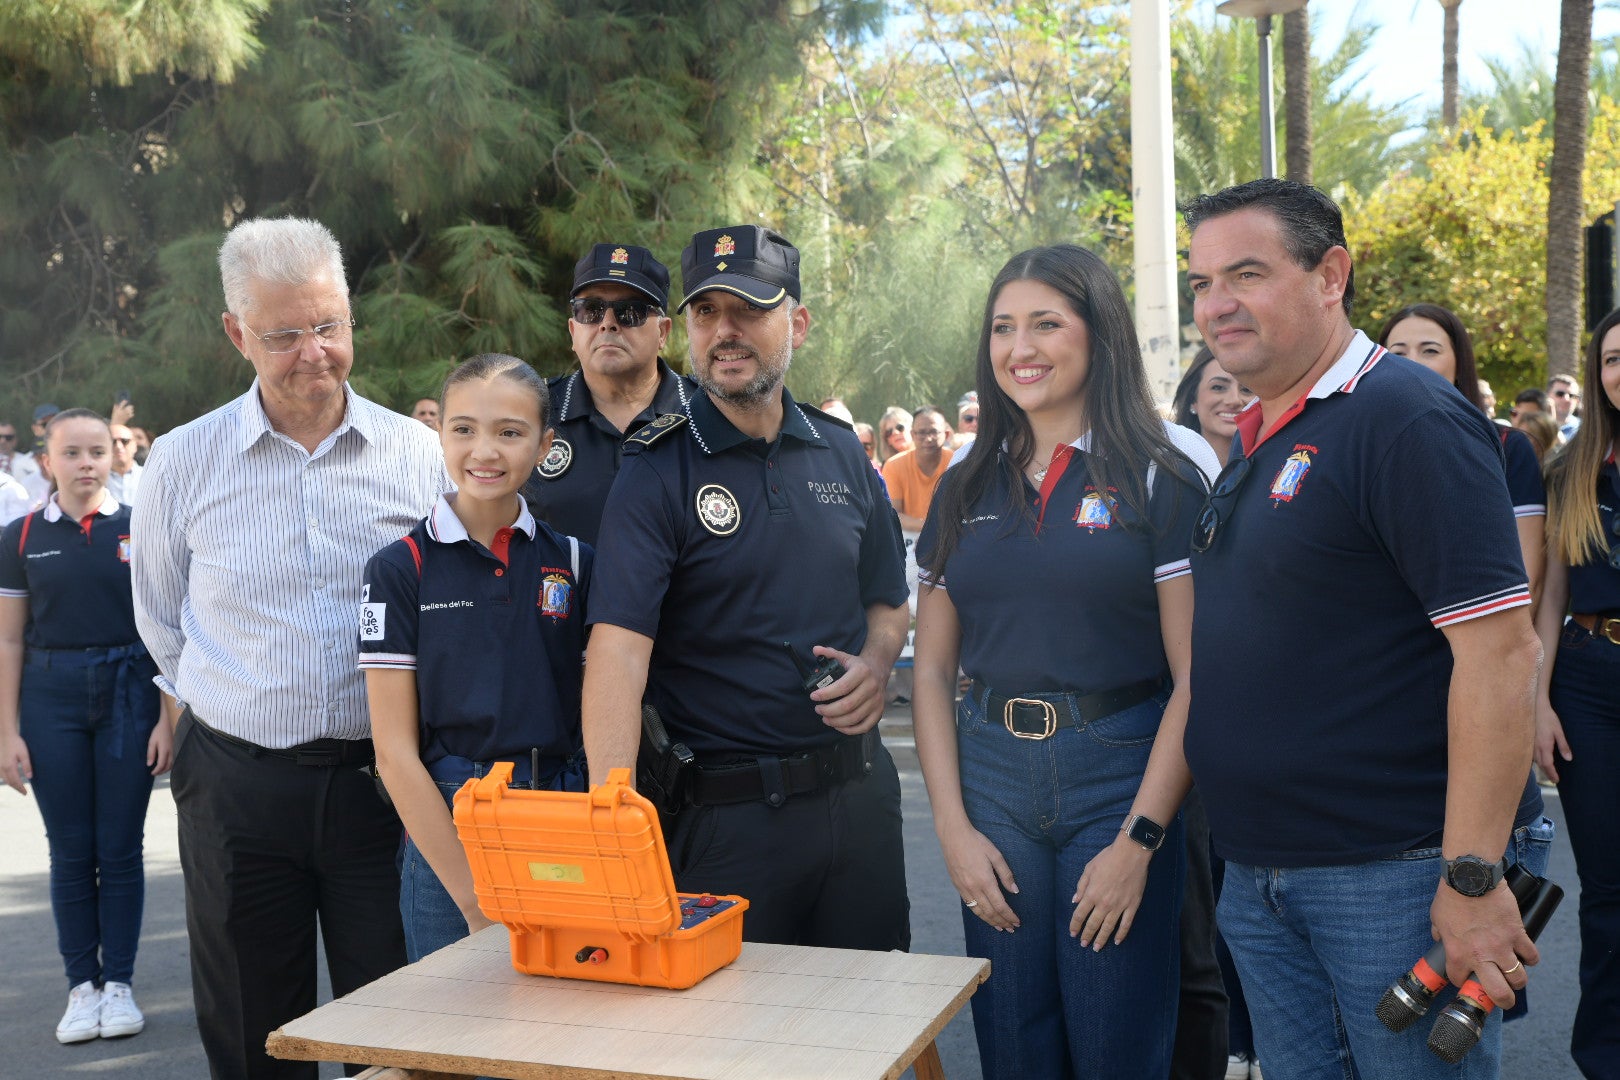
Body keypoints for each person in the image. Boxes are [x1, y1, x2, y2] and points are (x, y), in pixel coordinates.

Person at [1182, 178, 1552, 1079]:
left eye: (1246, 273)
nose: (1217, 303)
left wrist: (1470, 880)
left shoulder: (1407, 419)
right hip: (1264, 875)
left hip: (1388, 883)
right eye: (1200, 282)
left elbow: (1502, 654)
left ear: (1330, 274)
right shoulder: (1266, 427)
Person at [131, 217, 446, 1080]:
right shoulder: (183, 462)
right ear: (238, 334)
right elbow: (161, 617)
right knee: (248, 1029)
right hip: (236, 787)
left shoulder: (420, 460)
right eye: (284, 334)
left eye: (329, 325)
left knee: (397, 1031)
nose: (314, 351)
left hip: (384, 791)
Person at [912, 245, 1214, 1079]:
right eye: (1004, 327)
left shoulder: (1162, 474)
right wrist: (952, 829)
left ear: (1099, 333)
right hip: (991, 780)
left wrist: (1140, 841)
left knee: (1116, 1041)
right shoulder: (963, 486)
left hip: (1119, 777)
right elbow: (931, 674)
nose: (1022, 347)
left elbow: (1198, 676)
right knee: (1014, 1046)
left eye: (1048, 323)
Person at [581, 224, 911, 950]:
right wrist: (614, 822)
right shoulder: (655, 469)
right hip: (729, 827)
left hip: (860, 806)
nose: (724, 333)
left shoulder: (843, 456)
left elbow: (889, 600)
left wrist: (880, 664)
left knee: (869, 1039)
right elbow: (616, 658)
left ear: (796, 323)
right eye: (706, 313)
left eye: (748, 310)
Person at [363, 354, 591, 962]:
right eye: (463, 429)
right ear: (440, 433)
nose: (483, 450)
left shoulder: (573, 561)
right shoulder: (399, 567)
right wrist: (471, 897)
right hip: (450, 823)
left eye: (509, 432)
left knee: (562, 1030)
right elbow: (393, 751)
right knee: (462, 1042)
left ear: (544, 445)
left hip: (562, 815)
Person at [0, 408, 172, 1045]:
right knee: (70, 850)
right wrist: (6, 732)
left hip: (129, 693)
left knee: (121, 849)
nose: (84, 463)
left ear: (113, 456)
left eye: (96, 451)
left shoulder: (138, 530)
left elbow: (163, 632)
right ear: (47, 460)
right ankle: (82, 988)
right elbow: (9, 641)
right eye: (70, 453)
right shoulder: (20, 539)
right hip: (51, 700)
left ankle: (120, 984)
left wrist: (166, 717)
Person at [1536, 307, 1620, 1079]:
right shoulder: (1572, 470)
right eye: (1614, 357)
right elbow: (1550, 596)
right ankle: (1605, 1058)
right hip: (1591, 680)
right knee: (1610, 891)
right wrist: (1539, 701)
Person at [521, 243, 693, 547]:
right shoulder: (532, 412)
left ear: (663, 332)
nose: (608, 323)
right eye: (592, 310)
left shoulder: (706, 413)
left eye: (631, 311)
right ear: (574, 331)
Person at [1379, 302, 1547, 606]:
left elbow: (1526, 579)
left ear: (1460, 363)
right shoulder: (1364, 450)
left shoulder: (1509, 446)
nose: (1412, 363)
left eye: (1430, 350)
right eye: (1398, 353)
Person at [1172, 346, 1251, 467]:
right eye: (1218, 387)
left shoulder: (1279, 469)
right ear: (1193, 399)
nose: (1234, 400)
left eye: (1246, 389)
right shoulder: (1163, 470)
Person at [881, 405, 953, 531]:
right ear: (912, 435)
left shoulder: (957, 462)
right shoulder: (894, 466)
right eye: (921, 433)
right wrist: (932, 528)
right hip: (909, 539)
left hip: (951, 535)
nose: (928, 439)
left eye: (934, 432)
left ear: (946, 435)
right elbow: (893, 515)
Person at [104, 423, 142, 506]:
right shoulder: (97, 479)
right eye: (112, 441)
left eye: (125, 441)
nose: (118, 446)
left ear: (135, 445)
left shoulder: (149, 475)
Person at [1549, 372, 1582, 440]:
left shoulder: (1586, 429)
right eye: (1560, 394)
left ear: (1577, 401)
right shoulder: (1533, 427)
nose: (1566, 399)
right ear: (1548, 395)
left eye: (1571, 396)